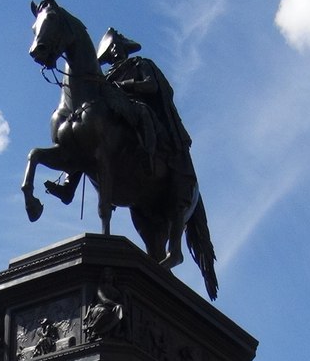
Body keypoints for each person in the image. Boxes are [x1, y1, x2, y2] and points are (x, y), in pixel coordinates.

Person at [45, 28, 197, 224]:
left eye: (116, 47)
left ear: (125, 47)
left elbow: (151, 85)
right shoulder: (106, 76)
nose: (114, 51)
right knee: (86, 136)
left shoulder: (140, 63)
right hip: (115, 110)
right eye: (110, 50)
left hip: (136, 104)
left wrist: (126, 85)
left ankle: (147, 154)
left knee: (143, 112)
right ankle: (68, 185)